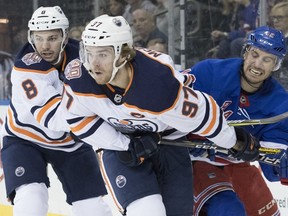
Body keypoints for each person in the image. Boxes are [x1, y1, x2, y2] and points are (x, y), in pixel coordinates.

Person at [58, 14, 259, 216]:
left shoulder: (156, 84)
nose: (93, 64)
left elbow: (203, 114)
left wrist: (233, 141)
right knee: (147, 211)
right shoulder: (79, 78)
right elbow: (78, 120)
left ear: (124, 54)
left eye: (102, 55)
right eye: (88, 53)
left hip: (170, 142)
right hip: (120, 148)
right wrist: (125, 144)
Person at [0, 6, 113, 216]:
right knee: (31, 198)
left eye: (52, 38)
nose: (45, 46)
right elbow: (52, 117)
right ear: (30, 37)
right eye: (39, 38)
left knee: (93, 209)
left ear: (65, 36)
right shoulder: (25, 67)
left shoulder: (85, 58)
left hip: (71, 143)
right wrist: (116, 138)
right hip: (24, 140)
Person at [183, 26, 288, 216]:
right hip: (194, 161)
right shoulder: (209, 73)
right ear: (245, 52)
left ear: (276, 65)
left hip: (237, 163)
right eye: (254, 54)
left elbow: (272, 160)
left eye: (267, 60)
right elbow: (168, 102)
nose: (257, 64)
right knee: (228, 210)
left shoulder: (279, 104)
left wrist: (282, 163)